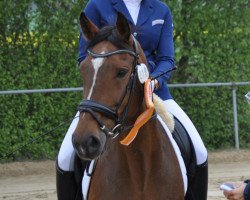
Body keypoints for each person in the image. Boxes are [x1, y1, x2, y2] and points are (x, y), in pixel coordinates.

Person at [56, 0, 208, 199]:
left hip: (155, 93)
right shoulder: (96, 6)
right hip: (107, 96)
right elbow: (85, 57)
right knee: (65, 157)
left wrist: (153, 82)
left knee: (199, 150)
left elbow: (167, 60)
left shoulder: (161, 10)